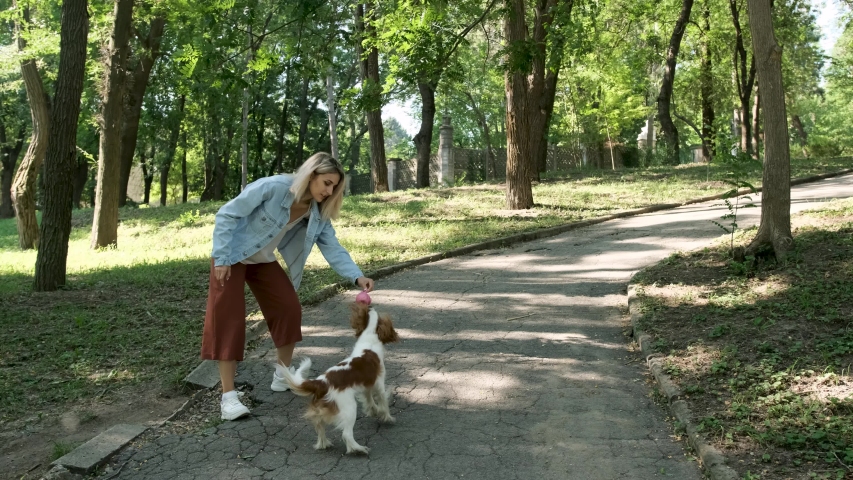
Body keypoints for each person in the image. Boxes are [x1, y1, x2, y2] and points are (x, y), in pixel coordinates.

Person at [201, 152, 374, 421]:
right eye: (326, 183)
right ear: (311, 175)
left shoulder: (317, 212)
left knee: (288, 308)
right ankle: (229, 398)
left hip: (261, 260)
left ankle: (282, 375)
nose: (329, 191)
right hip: (232, 256)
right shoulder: (273, 187)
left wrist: (356, 276)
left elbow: (332, 247)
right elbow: (227, 214)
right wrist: (222, 258)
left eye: (334, 187)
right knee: (229, 320)